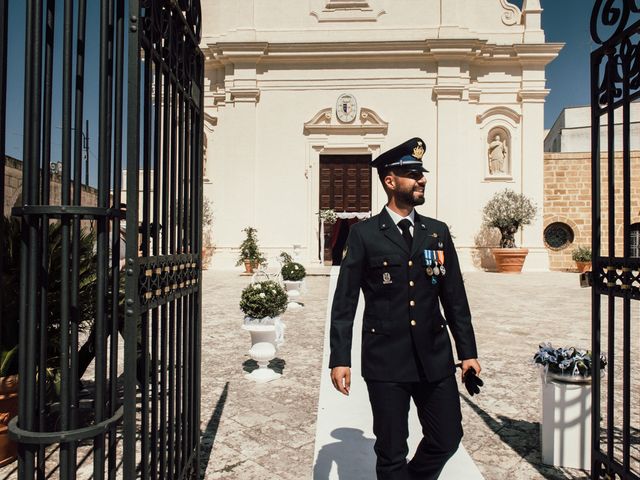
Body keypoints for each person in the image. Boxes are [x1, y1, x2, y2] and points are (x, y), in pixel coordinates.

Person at [329, 137, 481, 480]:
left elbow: (455, 298)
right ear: (390, 180)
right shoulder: (365, 235)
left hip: (435, 357)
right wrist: (340, 358)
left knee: (447, 437)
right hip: (386, 359)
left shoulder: (437, 233)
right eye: (413, 173)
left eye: (421, 173)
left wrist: (467, 352)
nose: (422, 179)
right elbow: (345, 303)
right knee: (392, 450)